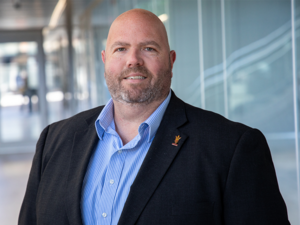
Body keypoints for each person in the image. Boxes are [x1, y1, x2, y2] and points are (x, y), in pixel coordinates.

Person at [19, 9, 290, 225]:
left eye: (148, 48)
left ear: (171, 61)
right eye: (120, 49)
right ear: (104, 60)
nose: (133, 60)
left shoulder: (232, 148)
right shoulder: (54, 140)